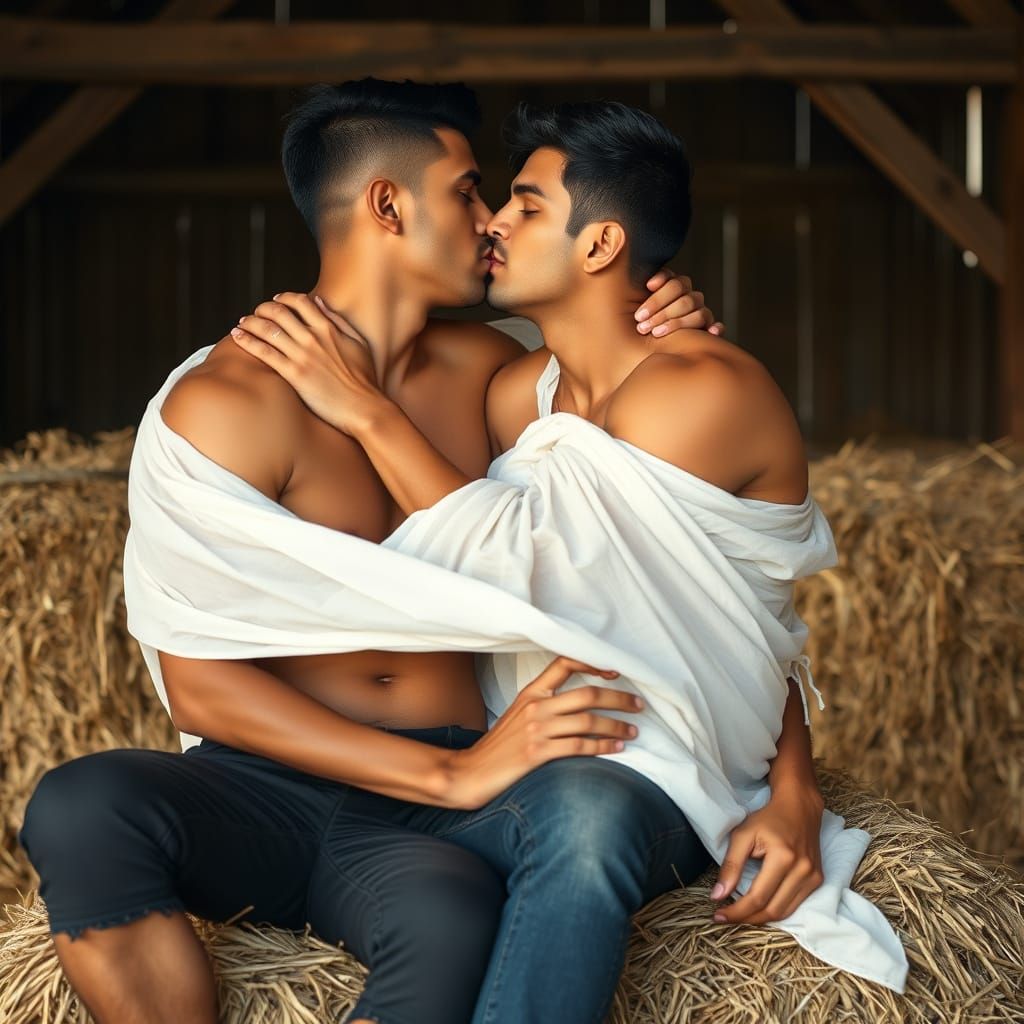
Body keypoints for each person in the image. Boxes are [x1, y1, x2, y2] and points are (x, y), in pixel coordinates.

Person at [18, 80, 722, 1024]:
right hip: (265, 792)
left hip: (437, 814)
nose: (491, 223)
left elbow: (662, 509)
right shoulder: (226, 405)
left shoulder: (502, 379)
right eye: (471, 191)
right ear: (389, 204)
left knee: (447, 920)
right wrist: (454, 775)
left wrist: (654, 314)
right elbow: (204, 691)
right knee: (78, 804)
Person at [231, 98, 854, 1022]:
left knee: (586, 818)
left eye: (523, 204)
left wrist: (364, 411)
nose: (492, 223)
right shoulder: (520, 393)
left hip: (648, 767)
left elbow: (552, 581)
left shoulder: (701, 389)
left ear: (600, 245)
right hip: (513, 750)